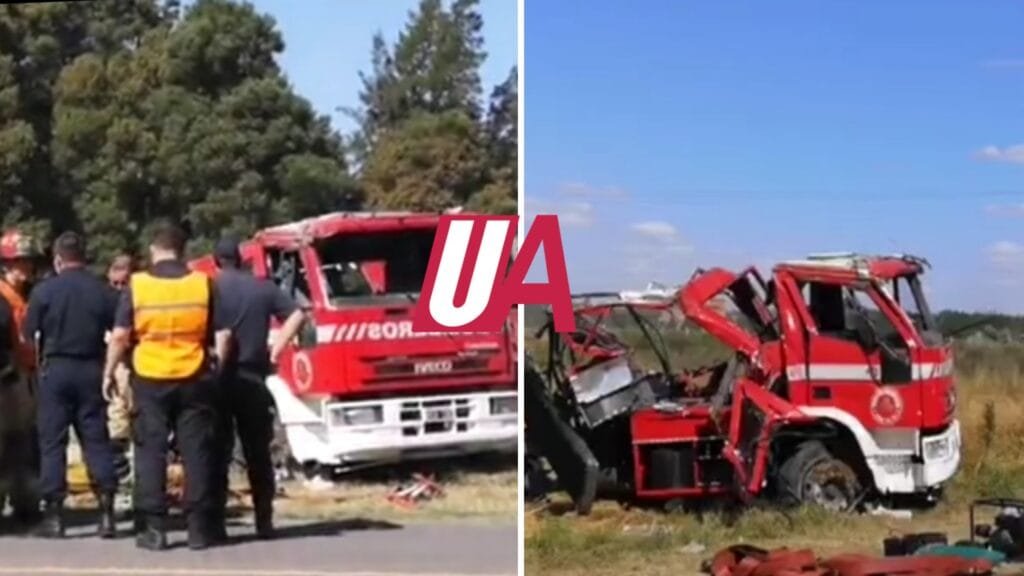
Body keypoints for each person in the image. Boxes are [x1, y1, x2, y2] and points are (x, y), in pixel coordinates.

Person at [103, 221, 230, 551]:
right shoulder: (203, 283)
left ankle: (154, 529)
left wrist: (109, 372)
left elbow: (120, 336)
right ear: (182, 251)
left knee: (150, 451)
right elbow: (222, 334)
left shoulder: (138, 285)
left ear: (153, 250)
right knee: (196, 452)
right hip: (194, 375)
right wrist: (216, 369)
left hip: (150, 376)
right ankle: (199, 529)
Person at [24, 232, 119, 539]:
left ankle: (54, 516)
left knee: (53, 442)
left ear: (57, 259)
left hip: (56, 369)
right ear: (84, 257)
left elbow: (28, 334)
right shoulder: (102, 291)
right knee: (96, 438)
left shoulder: (44, 291)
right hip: (91, 367)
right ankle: (107, 511)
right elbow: (119, 329)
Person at [209, 237, 305, 542]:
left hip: (219, 378)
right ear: (240, 260)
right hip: (253, 376)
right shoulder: (262, 288)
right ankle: (264, 519)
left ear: (215, 261)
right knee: (258, 452)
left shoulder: (209, 288)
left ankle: (216, 522)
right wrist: (276, 349)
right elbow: (297, 314)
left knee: (217, 452)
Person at [0, 229, 42, 530]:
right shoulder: (3, 296)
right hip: (8, 378)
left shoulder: (24, 294)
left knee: (22, 443)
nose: (26, 267)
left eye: (28, 261)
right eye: (20, 262)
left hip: (24, 376)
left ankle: (24, 502)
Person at [105, 254, 134, 480]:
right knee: (117, 416)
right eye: (115, 283)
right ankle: (120, 470)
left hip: (135, 360)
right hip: (114, 362)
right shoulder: (104, 299)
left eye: (124, 283)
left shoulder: (137, 297)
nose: (119, 287)